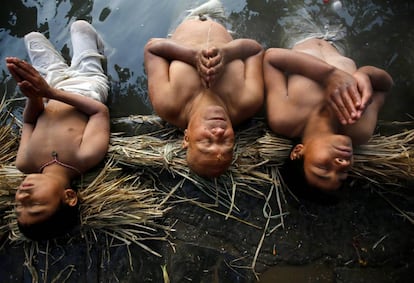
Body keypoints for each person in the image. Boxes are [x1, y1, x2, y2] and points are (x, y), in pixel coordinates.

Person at [264, 7, 393, 193]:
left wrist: (329, 75)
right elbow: (386, 86)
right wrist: (365, 75)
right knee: (337, 7)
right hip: (338, 40)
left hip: (298, 32)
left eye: (323, 169)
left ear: (298, 152)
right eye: (343, 174)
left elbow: (271, 58)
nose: (341, 165)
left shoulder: (285, 118)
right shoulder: (360, 128)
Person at [6, 20, 110, 240]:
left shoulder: (25, 162)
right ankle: (103, 50)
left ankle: (59, 65)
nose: (23, 196)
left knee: (31, 37)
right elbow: (99, 112)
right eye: (34, 203)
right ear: (69, 196)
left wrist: (34, 97)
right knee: (79, 26)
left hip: (50, 87)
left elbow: (29, 123)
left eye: (18, 204)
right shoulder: (85, 157)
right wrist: (51, 93)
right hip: (87, 85)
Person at [144, 0, 264, 177]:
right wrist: (228, 53)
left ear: (186, 138)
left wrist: (192, 56)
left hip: (186, 17)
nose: (219, 131)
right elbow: (255, 50)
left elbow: (152, 48)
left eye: (207, 140)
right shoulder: (248, 102)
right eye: (226, 141)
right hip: (221, 21)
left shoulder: (167, 104)